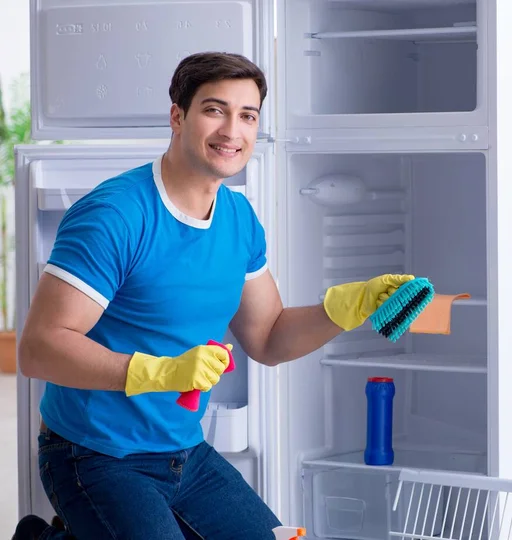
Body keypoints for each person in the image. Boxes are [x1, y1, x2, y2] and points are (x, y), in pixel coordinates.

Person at [12, 52, 413, 539]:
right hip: (95, 453)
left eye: (247, 116)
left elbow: (266, 338)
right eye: (214, 110)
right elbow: (38, 347)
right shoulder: (115, 215)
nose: (232, 131)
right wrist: (156, 372)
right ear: (178, 116)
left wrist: (345, 308)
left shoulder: (239, 219)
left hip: (184, 452)